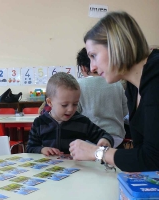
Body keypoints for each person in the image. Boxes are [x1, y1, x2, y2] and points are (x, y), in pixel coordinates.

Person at [69, 11, 159, 172]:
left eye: (94, 55)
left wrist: (97, 152)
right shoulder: (133, 86)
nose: (92, 68)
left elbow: (153, 158)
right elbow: (143, 152)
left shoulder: (155, 76)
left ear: (116, 45)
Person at [26, 72, 114, 156]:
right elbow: (30, 148)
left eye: (75, 104)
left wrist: (105, 140)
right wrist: (42, 150)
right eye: (64, 105)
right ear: (49, 102)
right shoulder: (39, 123)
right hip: (47, 168)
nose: (71, 109)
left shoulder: (82, 122)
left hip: (77, 169)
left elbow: (105, 135)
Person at [76, 47, 128, 148]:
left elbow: (74, 113)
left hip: (91, 139)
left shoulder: (77, 85)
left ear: (83, 68)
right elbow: (125, 112)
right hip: (117, 138)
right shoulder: (116, 83)